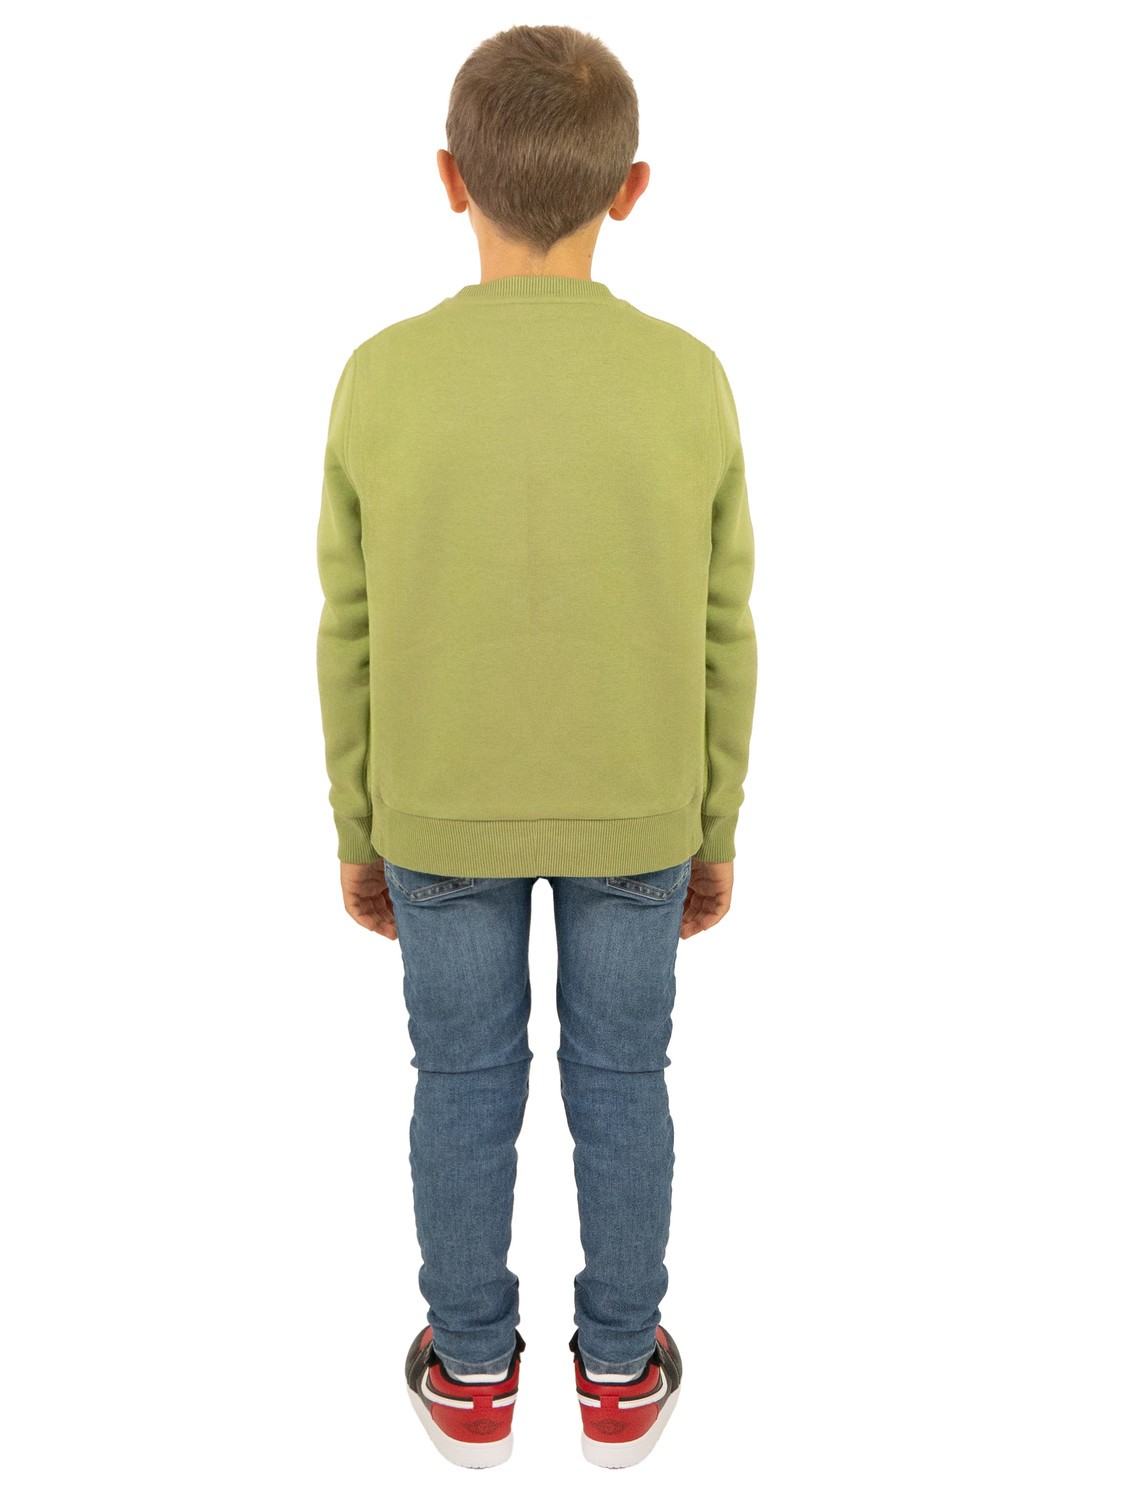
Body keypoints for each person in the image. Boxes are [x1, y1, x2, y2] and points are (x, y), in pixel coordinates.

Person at [315, 23, 757, 1470]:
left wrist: (358, 826)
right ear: (631, 188)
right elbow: (723, 625)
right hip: (638, 810)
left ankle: (472, 1373)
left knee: (461, 1085)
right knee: (624, 1084)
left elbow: (350, 626)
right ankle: (620, 1373)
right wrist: (714, 825)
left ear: (450, 177)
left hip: (438, 811)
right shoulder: (687, 376)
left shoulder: (381, 375)